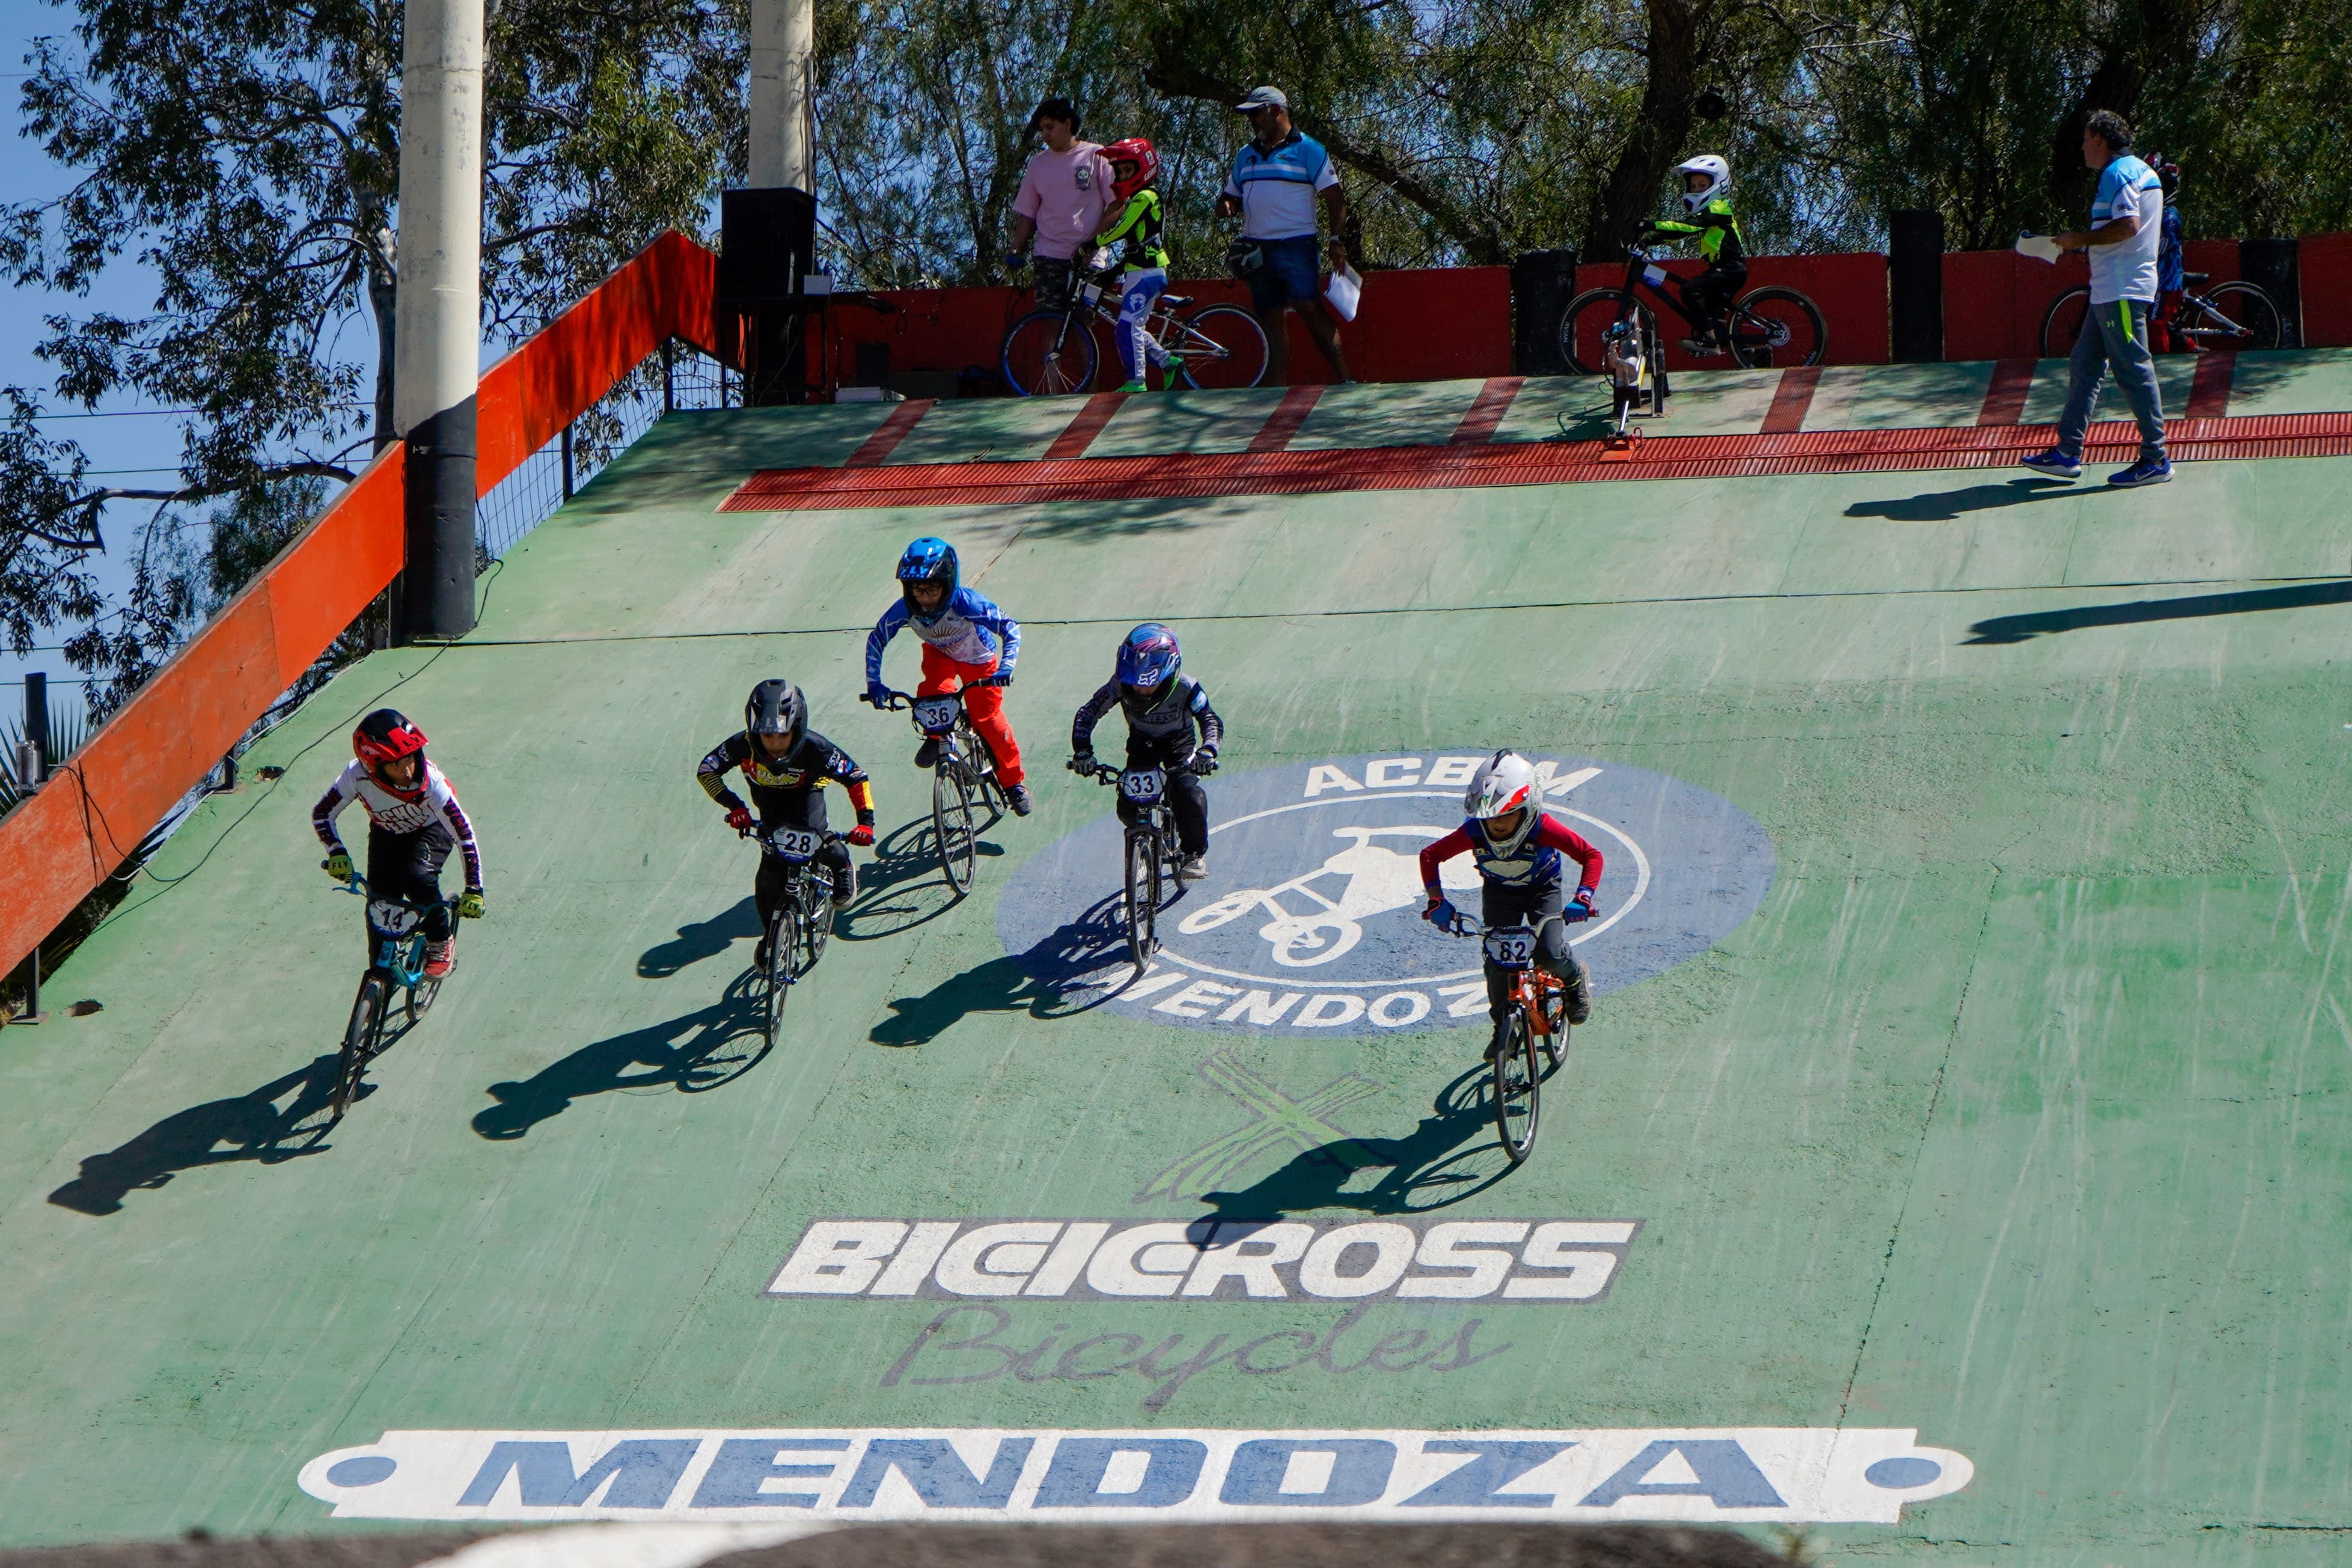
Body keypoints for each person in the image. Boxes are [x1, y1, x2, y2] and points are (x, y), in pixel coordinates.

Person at [2023, 110, 2170, 487]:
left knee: (2133, 369)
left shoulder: (2117, 172)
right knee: (2085, 364)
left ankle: (2156, 458)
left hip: (2121, 290)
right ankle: (2067, 453)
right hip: (2110, 289)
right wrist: (2081, 243)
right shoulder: (2139, 171)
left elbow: (2128, 226)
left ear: (2101, 142)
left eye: (2086, 140)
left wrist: (2079, 239)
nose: (2082, 148)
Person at [1417, 751, 1599, 1050]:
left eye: (1506, 815)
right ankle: (1503, 1028)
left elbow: (1591, 855)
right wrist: (1437, 900)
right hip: (1499, 892)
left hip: (1543, 889)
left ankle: (1575, 979)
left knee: (1549, 953)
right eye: (1490, 818)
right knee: (1498, 964)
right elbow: (1431, 855)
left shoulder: (1543, 827)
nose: (1497, 825)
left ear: (1528, 809)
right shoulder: (1475, 830)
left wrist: (1584, 897)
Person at [697, 679, 875, 966]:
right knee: (769, 875)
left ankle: (842, 863)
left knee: (817, 841)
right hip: (770, 812)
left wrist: (865, 823)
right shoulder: (742, 745)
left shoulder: (817, 748)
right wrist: (735, 806)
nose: (776, 744)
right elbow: (707, 771)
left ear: (799, 727)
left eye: (783, 735)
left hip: (807, 801)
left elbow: (856, 777)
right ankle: (771, 935)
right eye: (767, 736)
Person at [311, 709, 485, 980]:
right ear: (374, 767)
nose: (406, 771)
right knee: (379, 906)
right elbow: (322, 814)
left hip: (432, 828)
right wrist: (336, 851)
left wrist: (474, 890)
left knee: (417, 878)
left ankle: (440, 941)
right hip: (386, 834)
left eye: (409, 759)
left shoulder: (433, 783)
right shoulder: (356, 777)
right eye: (395, 765)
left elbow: (463, 833)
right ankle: (379, 980)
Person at [865, 536, 1034, 816]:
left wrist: (1007, 666)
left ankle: (1014, 783)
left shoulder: (969, 603)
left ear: (948, 584)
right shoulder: (906, 608)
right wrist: (874, 683)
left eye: (932, 590)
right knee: (932, 694)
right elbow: (877, 639)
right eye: (918, 591)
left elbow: (1010, 628)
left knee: (989, 721)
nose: (925, 599)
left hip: (978, 660)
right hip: (940, 655)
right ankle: (936, 735)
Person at [1214, 85, 1351, 385]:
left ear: (1276, 111)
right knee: (1270, 317)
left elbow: (1335, 198)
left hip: (1296, 245)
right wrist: (1227, 206)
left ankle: (1345, 380)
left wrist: (1336, 240)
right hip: (1256, 249)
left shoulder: (1308, 149)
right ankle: (1277, 389)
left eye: (1256, 113)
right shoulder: (1246, 155)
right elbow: (1229, 196)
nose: (1252, 120)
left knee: (1309, 308)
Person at [1068, 623, 1224, 879]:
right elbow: (1088, 713)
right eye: (1134, 684)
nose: (1140, 691)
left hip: (1179, 745)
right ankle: (1145, 839)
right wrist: (1083, 752)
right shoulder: (1119, 685)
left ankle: (1194, 854)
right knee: (1127, 805)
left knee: (1188, 794)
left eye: (1148, 686)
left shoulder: (1188, 687)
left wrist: (1208, 751)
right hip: (1142, 744)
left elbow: (1210, 720)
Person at [1003, 97, 1116, 311]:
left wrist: (1093, 244)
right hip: (1049, 256)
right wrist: (1016, 249)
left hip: (1089, 259)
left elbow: (1116, 205)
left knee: (1084, 319)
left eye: (1050, 127)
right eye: (1042, 129)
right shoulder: (1038, 164)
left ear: (1067, 123)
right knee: (1050, 319)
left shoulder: (1097, 155)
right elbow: (1027, 213)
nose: (1046, 134)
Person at [1644, 154, 1747, 358]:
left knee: (1690, 290)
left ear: (1718, 184)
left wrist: (1651, 224)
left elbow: (1688, 226)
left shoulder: (1719, 208)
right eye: (1693, 186)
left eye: (1702, 185)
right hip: (1723, 269)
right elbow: (1682, 231)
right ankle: (1745, 351)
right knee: (1711, 316)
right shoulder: (1708, 212)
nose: (1697, 190)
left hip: (1730, 268)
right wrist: (1653, 240)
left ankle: (1710, 341)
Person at [1095, 138, 1172, 392]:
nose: (1122, 176)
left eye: (1128, 170)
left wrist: (1094, 242)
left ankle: (1137, 381)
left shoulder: (1146, 197)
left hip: (1146, 272)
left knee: (1128, 326)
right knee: (1131, 326)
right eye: (1120, 171)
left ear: (1143, 168)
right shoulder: (1140, 198)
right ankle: (1167, 361)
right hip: (1139, 271)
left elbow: (1124, 227)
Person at [2150, 156, 2186, 352]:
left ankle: (2162, 367)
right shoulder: (2160, 214)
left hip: (2167, 282)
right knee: (2162, 324)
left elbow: (2159, 248)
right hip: (2158, 281)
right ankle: (2187, 347)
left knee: (2156, 323)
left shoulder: (2169, 217)